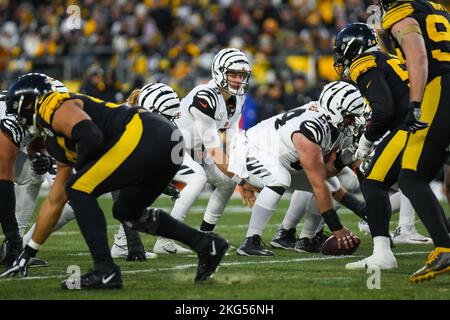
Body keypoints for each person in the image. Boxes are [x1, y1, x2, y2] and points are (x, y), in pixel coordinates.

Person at [0, 73, 229, 289]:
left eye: (17, 112)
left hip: (144, 132)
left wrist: (87, 173)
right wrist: (29, 251)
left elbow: (90, 135)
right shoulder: (54, 142)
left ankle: (105, 270)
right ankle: (205, 244)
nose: (18, 120)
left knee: (78, 188)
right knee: (126, 211)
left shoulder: (51, 105)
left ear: (29, 102)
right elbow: (55, 200)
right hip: (162, 140)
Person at [231, 81, 365, 256]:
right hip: (250, 148)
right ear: (336, 110)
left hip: (280, 159)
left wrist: (368, 214)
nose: (353, 121)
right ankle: (250, 240)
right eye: (349, 116)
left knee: (332, 184)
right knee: (281, 179)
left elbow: (327, 173)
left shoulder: (332, 125)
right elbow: (318, 183)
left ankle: (306, 239)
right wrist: (337, 228)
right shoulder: (311, 128)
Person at [152, 47, 259, 254]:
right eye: (233, 74)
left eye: (242, 75)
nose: (238, 80)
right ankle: (165, 238)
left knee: (227, 183)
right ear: (219, 72)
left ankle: (206, 235)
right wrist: (244, 181)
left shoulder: (237, 99)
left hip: (194, 148)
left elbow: (233, 137)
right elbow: (215, 151)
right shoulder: (205, 96)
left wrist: (240, 171)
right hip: (170, 145)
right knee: (198, 178)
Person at [380, 0, 450, 282]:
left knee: (410, 177)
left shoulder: (402, 11)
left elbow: (418, 56)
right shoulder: (440, 9)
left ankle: (445, 247)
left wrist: (416, 103)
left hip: (438, 87)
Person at [0, 74, 65, 268]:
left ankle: (14, 243)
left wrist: (41, 156)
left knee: (33, 171)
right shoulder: (13, 120)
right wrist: (12, 238)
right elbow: (3, 176)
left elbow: (35, 144)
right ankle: (13, 242)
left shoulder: (28, 111)